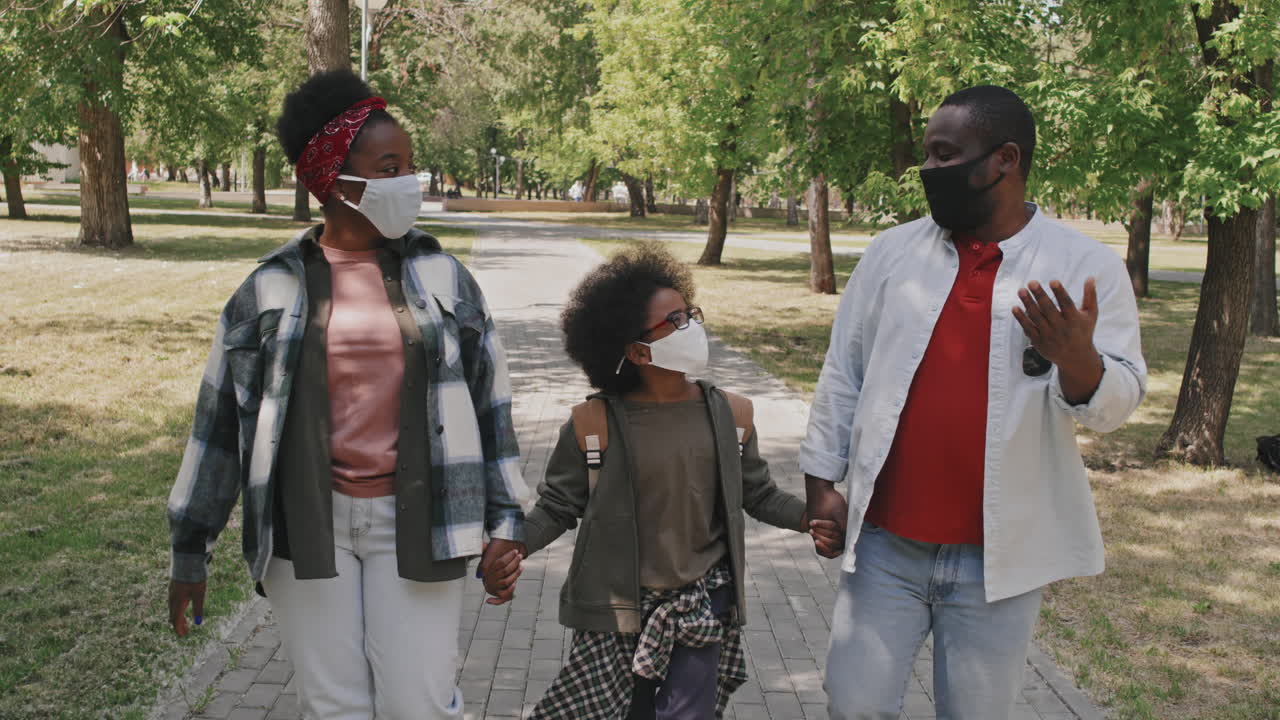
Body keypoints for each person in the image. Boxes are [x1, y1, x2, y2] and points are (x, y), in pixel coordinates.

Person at [164, 69, 527, 720]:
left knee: (420, 704)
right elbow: (217, 425)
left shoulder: (444, 277)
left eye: (411, 165)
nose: (410, 181)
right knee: (334, 708)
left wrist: (507, 524)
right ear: (335, 179)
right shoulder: (268, 290)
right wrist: (191, 552)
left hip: (419, 521)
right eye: (391, 166)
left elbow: (490, 406)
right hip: (307, 523)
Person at [800, 85, 1147, 719]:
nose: (927, 171)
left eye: (943, 154)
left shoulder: (1083, 266)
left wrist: (1081, 364)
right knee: (852, 706)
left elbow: (1116, 406)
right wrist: (822, 479)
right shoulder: (892, 254)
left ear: (1004, 160)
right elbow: (843, 373)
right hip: (885, 546)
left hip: (999, 562)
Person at [519, 243, 842, 720]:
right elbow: (557, 506)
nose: (692, 327)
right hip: (617, 612)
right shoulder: (593, 423)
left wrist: (809, 518)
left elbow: (757, 492)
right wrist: (514, 544)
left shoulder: (731, 414)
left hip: (703, 600)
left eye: (690, 313)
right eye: (675, 321)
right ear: (636, 350)